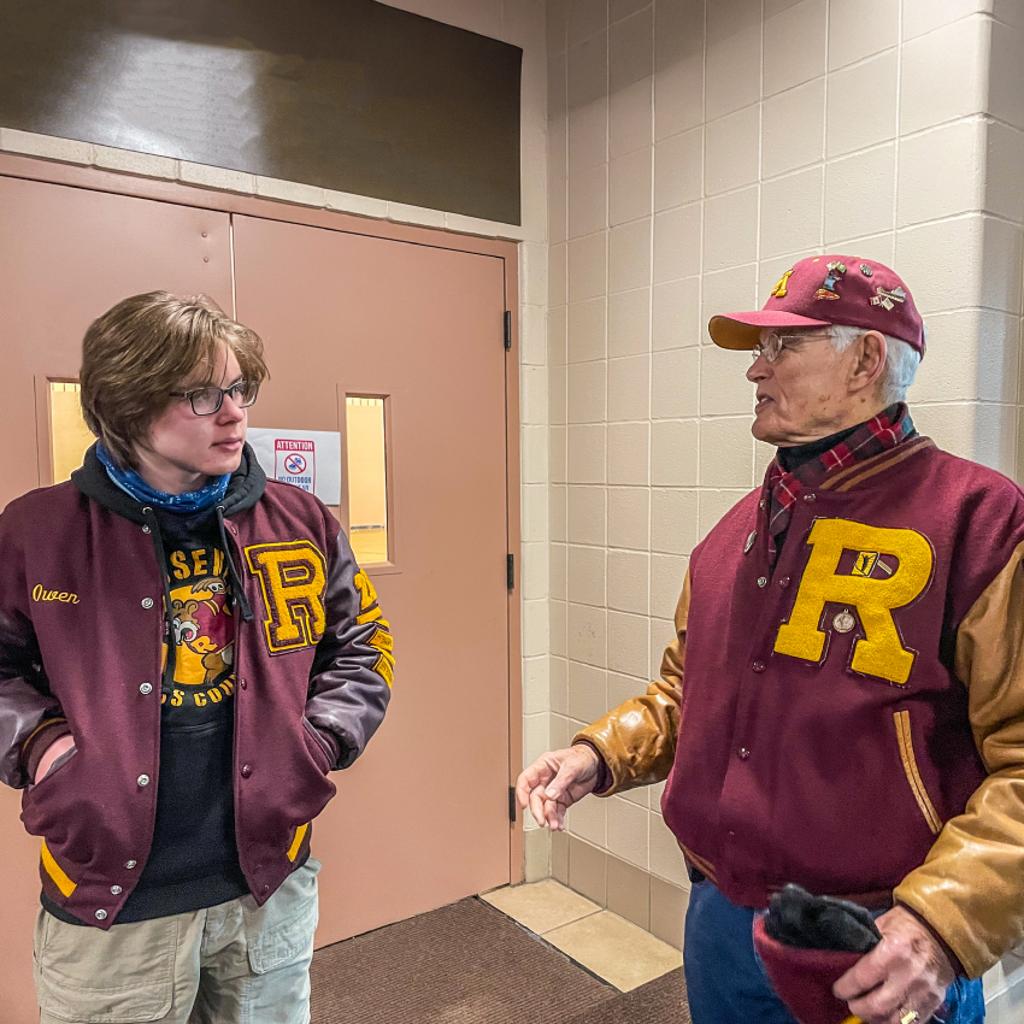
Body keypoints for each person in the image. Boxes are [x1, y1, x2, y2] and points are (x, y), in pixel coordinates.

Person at [518, 255, 1024, 1024]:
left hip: (880, 939)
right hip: (719, 917)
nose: (756, 369)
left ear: (866, 359)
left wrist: (943, 923)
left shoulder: (981, 521)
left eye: (783, 346)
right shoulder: (729, 539)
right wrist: (599, 753)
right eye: (760, 349)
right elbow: (686, 692)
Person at [0, 292, 394, 1023]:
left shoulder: (298, 520)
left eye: (240, 388)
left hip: (266, 882)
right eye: (202, 395)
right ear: (126, 404)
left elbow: (361, 644)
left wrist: (317, 742)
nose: (234, 413)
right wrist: (45, 749)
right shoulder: (36, 531)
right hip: (110, 903)